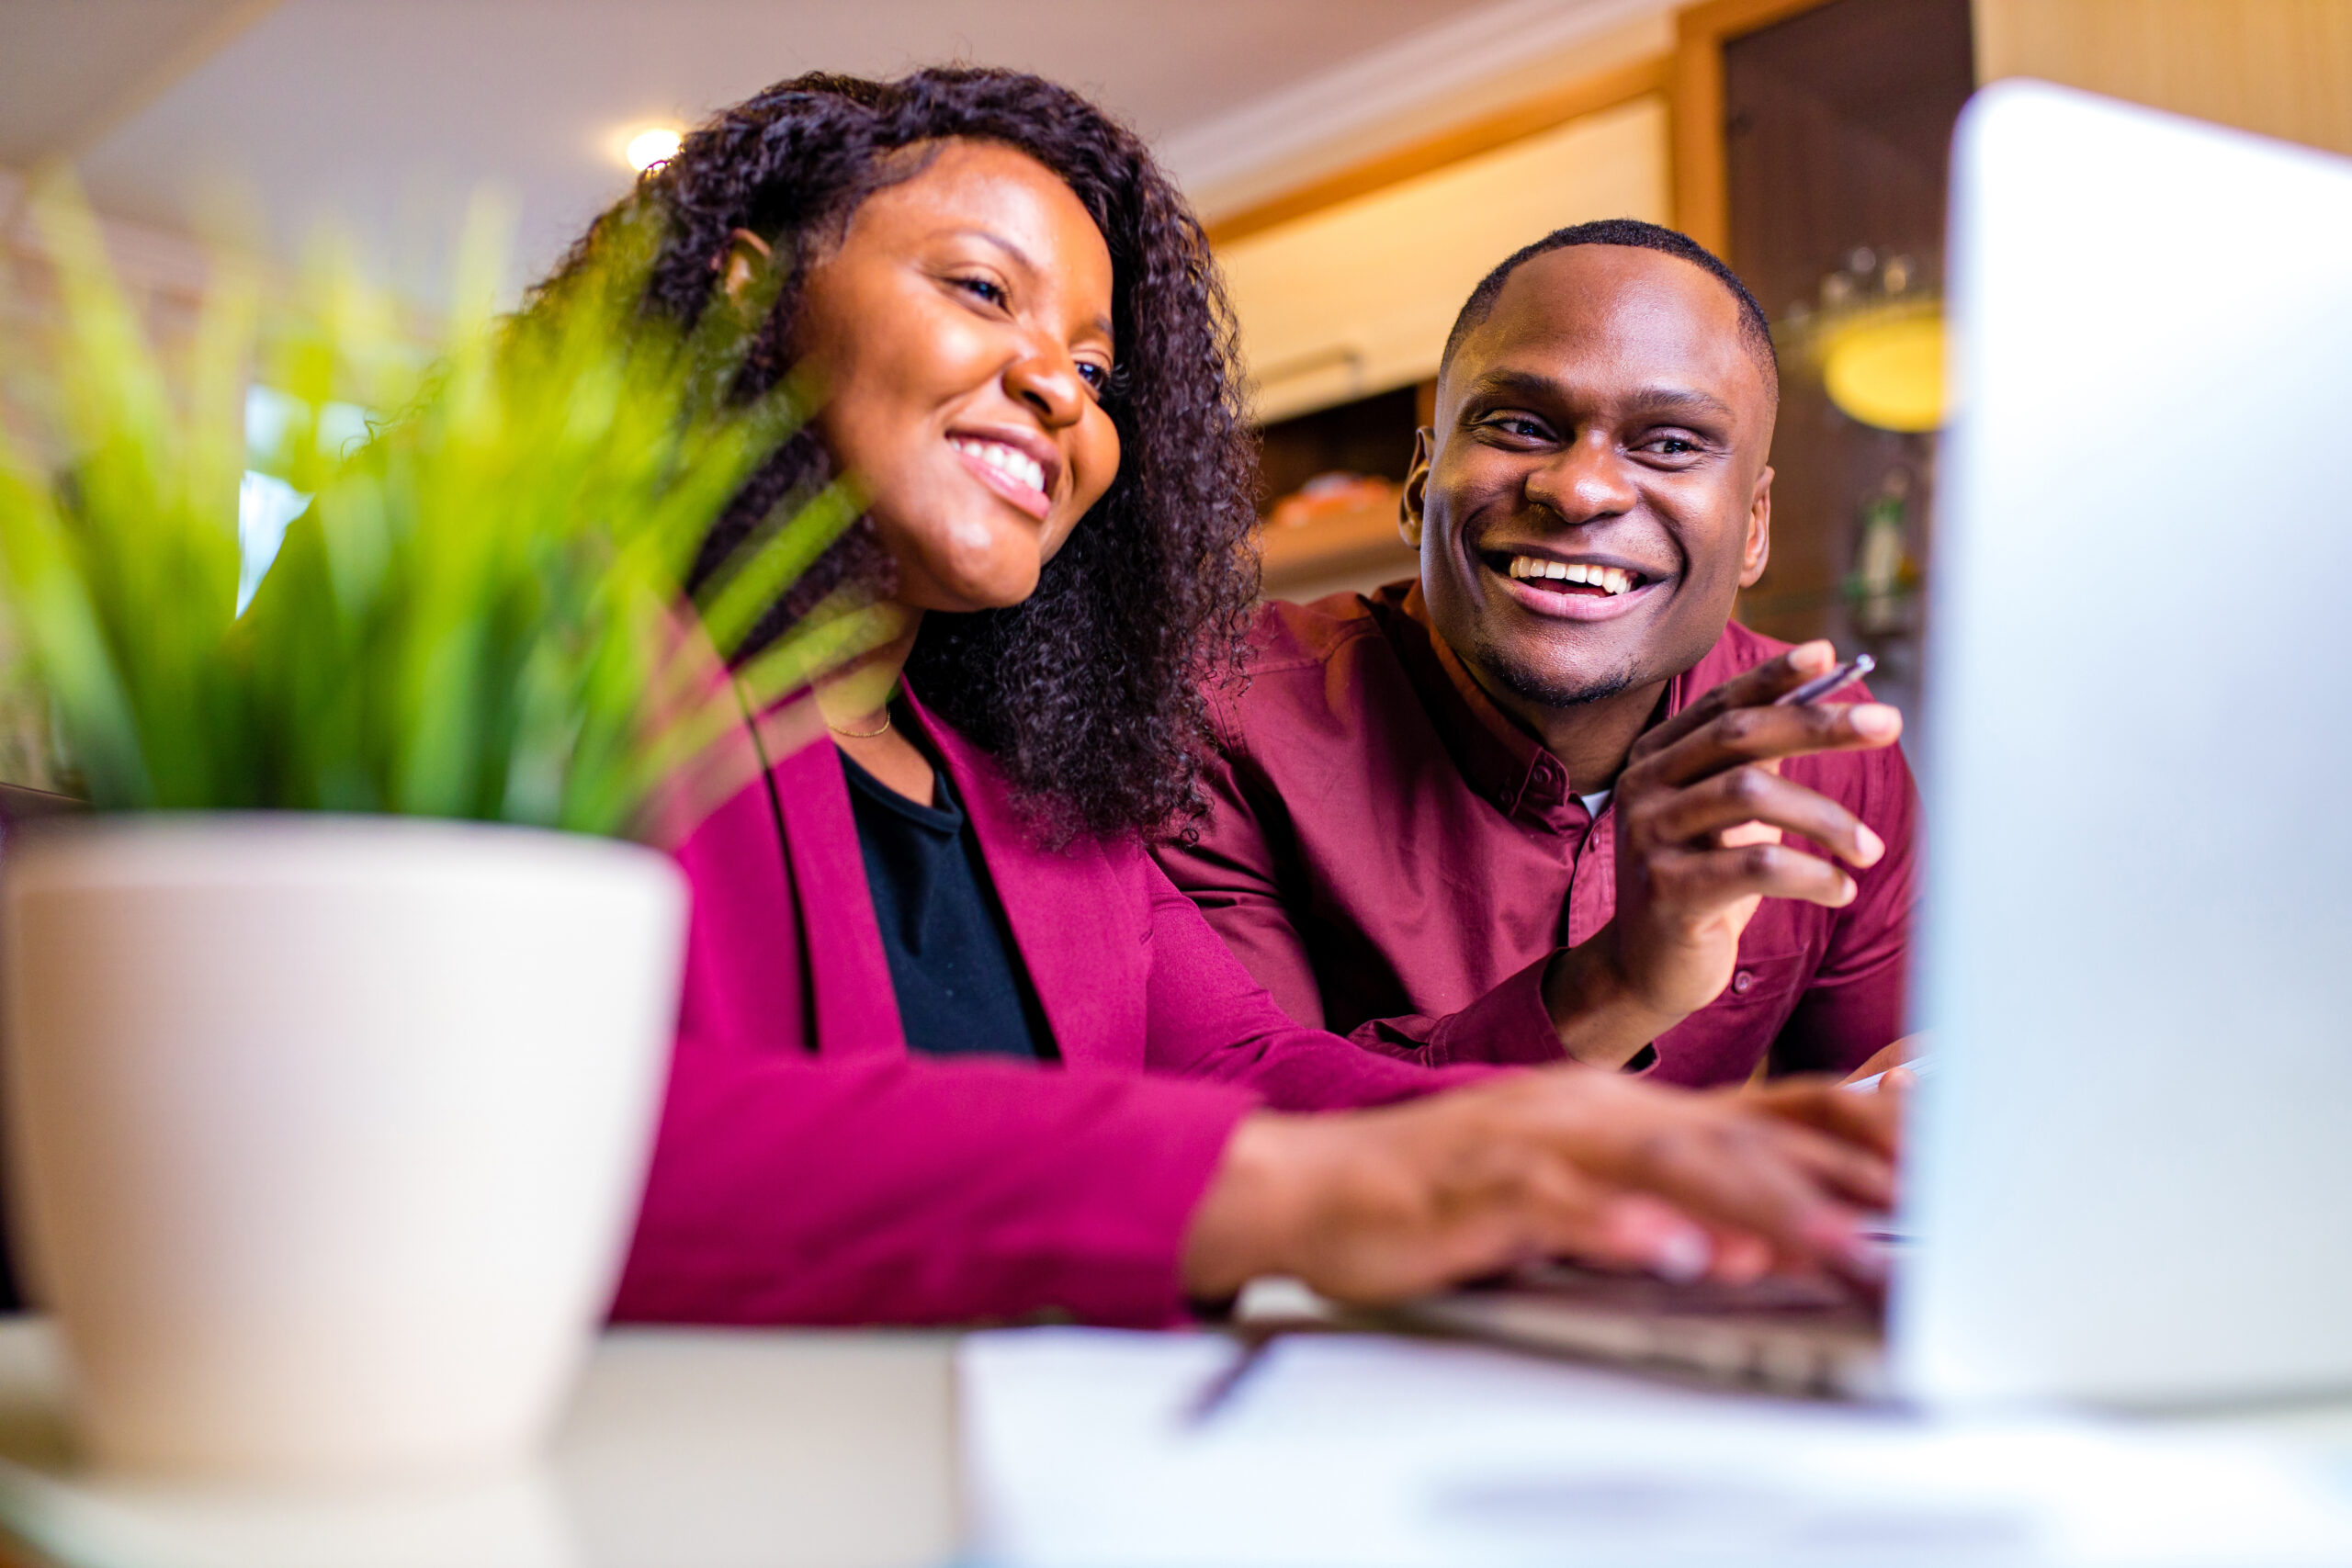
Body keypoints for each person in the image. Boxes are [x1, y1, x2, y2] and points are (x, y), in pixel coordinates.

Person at [542, 71, 1896, 1329]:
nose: (1054, 390)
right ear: (746, 299)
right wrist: (1309, 1191)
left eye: (1094, 369)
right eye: (979, 288)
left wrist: (1622, 1142)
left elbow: (1256, 1074)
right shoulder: (554, 648)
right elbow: (526, 1138)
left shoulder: (1036, 799)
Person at [1156, 220, 1917, 1089]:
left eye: (1670, 444)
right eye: (1519, 425)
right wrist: (1617, 986)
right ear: (1419, 487)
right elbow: (1247, 1148)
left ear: (1753, 527)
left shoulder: (1830, 765)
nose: (1581, 488)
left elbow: (1862, 1125)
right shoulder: (1214, 719)